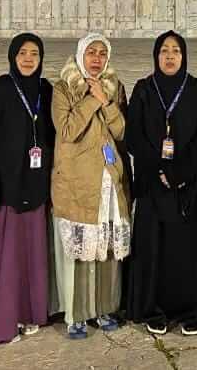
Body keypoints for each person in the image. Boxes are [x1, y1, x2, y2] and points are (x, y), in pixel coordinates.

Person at [125, 31, 197, 336]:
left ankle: (192, 311)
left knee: (189, 254)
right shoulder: (143, 90)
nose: (169, 56)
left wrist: (180, 173)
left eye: (176, 51)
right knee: (155, 252)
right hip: (154, 188)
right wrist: (159, 172)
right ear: (156, 55)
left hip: (190, 189)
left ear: (184, 56)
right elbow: (133, 138)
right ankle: (155, 310)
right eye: (164, 51)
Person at [0, 33, 55, 345]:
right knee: (2, 259)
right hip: (4, 191)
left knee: (29, 255)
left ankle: (28, 313)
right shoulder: (1, 89)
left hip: (35, 187)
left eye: (34, 53)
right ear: (12, 57)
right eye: (23, 53)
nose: (29, 59)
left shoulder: (45, 90)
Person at [51, 33, 131, 339]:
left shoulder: (114, 86)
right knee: (79, 253)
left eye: (101, 53)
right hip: (77, 180)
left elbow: (121, 130)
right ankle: (76, 314)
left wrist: (106, 101)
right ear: (80, 55)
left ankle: (104, 308)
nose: (96, 59)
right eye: (91, 53)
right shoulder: (64, 87)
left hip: (108, 178)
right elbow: (68, 130)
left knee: (106, 249)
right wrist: (89, 98)